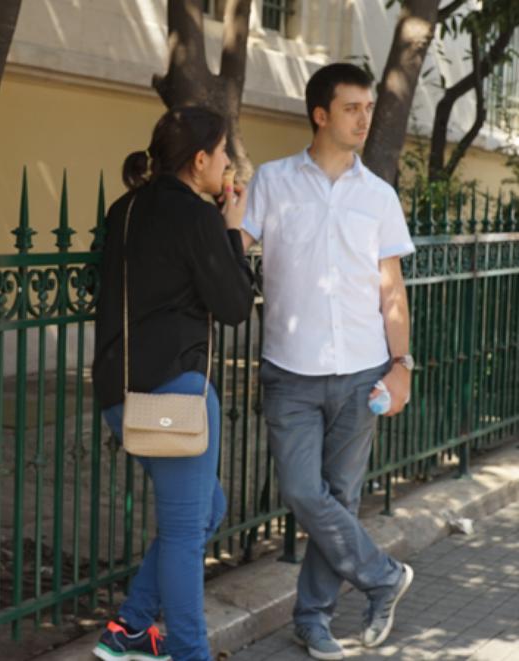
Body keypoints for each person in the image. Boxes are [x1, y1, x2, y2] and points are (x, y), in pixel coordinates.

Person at [239, 63, 415, 660]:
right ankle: (383, 576)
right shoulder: (273, 181)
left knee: (339, 498)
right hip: (290, 371)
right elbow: (231, 246)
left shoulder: (378, 195)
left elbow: (391, 289)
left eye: (368, 107)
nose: (365, 118)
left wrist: (400, 365)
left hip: (363, 371)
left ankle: (313, 618)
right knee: (301, 490)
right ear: (321, 114)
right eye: (352, 108)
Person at [91, 107, 256, 661]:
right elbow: (234, 306)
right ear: (200, 160)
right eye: (223, 152)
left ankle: (130, 627)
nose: (228, 163)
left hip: (120, 393)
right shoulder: (198, 217)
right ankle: (191, 653)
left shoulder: (124, 210)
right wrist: (232, 232)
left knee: (208, 509)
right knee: (187, 533)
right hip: (177, 398)